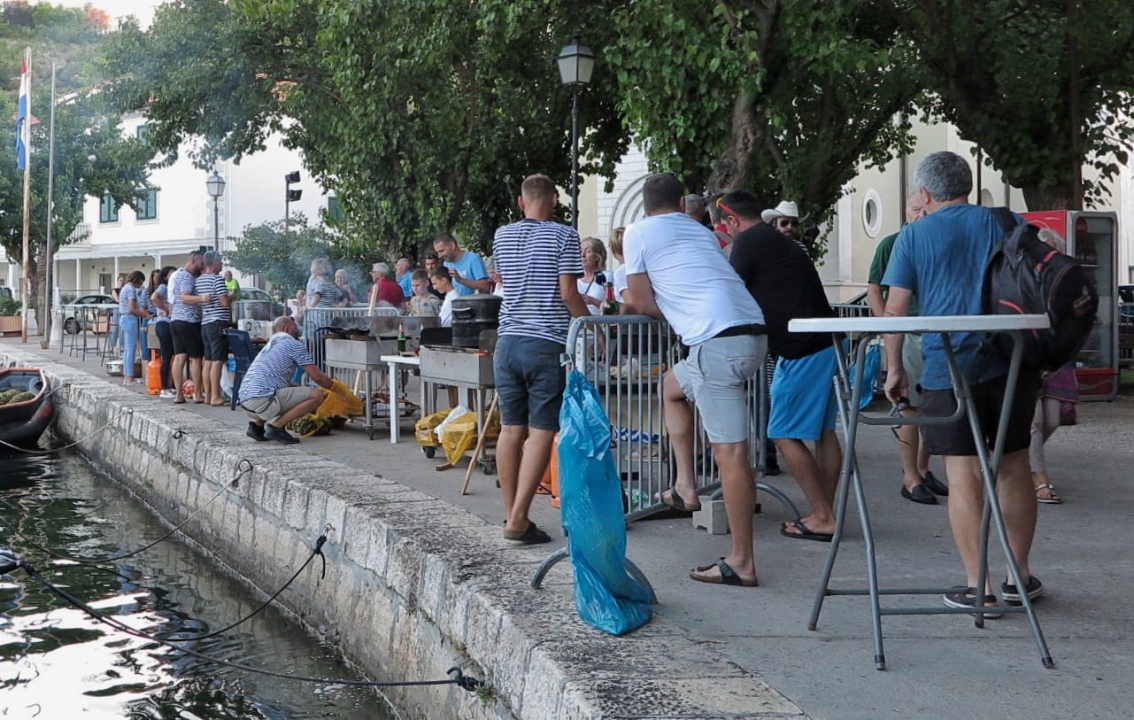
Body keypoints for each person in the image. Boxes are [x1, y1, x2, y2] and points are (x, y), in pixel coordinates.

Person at [882, 150, 1043, 613]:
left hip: (945, 366)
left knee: (962, 470)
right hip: (1009, 361)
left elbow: (896, 312)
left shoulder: (914, 236)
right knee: (1013, 464)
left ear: (926, 193)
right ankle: (1019, 575)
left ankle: (980, 585)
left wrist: (894, 369)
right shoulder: (1006, 221)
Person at [625, 173, 767, 587]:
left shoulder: (638, 232)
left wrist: (674, 316)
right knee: (671, 386)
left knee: (731, 455)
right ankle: (685, 485)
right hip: (751, 334)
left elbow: (639, 299)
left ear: (645, 206)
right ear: (683, 200)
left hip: (715, 342)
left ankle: (742, 562)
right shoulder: (701, 230)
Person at [718, 189, 842, 543]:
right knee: (823, 431)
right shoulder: (775, 239)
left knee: (782, 433)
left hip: (801, 348)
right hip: (824, 341)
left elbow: (730, 291)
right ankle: (825, 511)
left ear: (731, 220)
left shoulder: (749, 242)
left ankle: (823, 516)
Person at [492, 173, 589, 544]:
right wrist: (591, 325)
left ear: (521, 201)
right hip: (545, 343)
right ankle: (518, 520)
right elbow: (568, 292)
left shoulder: (502, 235)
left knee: (510, 430)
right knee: (541, 432)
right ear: (554, 199)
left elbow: (502, 278)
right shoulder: (565, 235)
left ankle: (511, 514)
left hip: (507, 343)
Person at [866, 192, 948, 504]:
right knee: (909, 405)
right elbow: (874, 288)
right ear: (907, 211)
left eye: (925, 209)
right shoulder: (892, 243)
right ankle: (909, 476)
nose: (922, 215)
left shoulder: (934, 241)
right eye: (916, 210)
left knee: (934, 403)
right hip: (908, 329)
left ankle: (923, 470)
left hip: (935, 329)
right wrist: (885, 325)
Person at [1029, 228, 1078, 505]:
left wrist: (1058, 358)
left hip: (1056, 357)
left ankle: (1016, 456)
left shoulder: (1064, 283)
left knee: (1052, 419)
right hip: (1030, 357)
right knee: (1033, 421)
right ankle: (1039, 478)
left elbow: (1075, 323)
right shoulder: (1022, 279)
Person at [239, 315, 334, 444]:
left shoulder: (270, 346)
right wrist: (336, 389)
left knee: (276, 390)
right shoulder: (293, 344)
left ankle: (257, 427)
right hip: (262, 402)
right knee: (316, 396)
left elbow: (277, 381)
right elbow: (317, 377)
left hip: (246, 403)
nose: (298, 329)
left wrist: (301, 390)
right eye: (295, 326)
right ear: (287, 328)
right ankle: (276, 427)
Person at [170, 251, 210, 404]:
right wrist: (202, 298)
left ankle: (179, 394)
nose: (202, 267)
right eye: (201, 264)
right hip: (189, 321)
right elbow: (185, 297)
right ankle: (198, 394)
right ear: (193, 261)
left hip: (175, 320)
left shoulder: (178, 275)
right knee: (196, 359)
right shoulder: (187, 277)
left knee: (179, 357)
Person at [196, 250, 232, 406]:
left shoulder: (199, 281)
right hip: (218, 322)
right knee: (218, 360)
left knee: (208, 360)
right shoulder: (217, 280)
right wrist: (233, 296)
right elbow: (224, 302)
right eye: (221, 261)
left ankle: (208, 395)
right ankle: (216, 395)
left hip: (206, 322)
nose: (222, 264)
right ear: (214, 262)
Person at [118, 271, 154, 386]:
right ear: (137, 280)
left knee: (128, 350)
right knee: (131, 349)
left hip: (124, 318)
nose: (141, 285)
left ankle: (127, 376)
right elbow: (132, 308)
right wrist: (146, 315)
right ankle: (129, 377)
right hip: (130, 319)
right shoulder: (131, 290)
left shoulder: (125, 288)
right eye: (141, 282)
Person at [433, 232, 491, 296]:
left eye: (441, 251)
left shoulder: (473, 259)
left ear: (452, 245)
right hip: (454, 304)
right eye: (438, 252)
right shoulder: (446, 264)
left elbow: (485, 286)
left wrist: (461, 280)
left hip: (473, 304)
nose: (439, 256)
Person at [150, 266, 178, 398]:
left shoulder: (171, 288)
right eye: (171, 274)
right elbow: (154, 297)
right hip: (164, 323)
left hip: (167, 323)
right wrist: (165, 309)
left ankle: (170, 385)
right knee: (166, 357)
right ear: (166, 276)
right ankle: (165, 387)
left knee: (172, 357)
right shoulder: (163, 287)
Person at [577, 236, 608, 316]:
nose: (582, 255)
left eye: (588, 251)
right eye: (580, 251)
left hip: (598, 326)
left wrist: (593, 301)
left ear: (597, 256)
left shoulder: (606, 277)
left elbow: (616, 307)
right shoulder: (574, 281)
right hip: (577, 327)